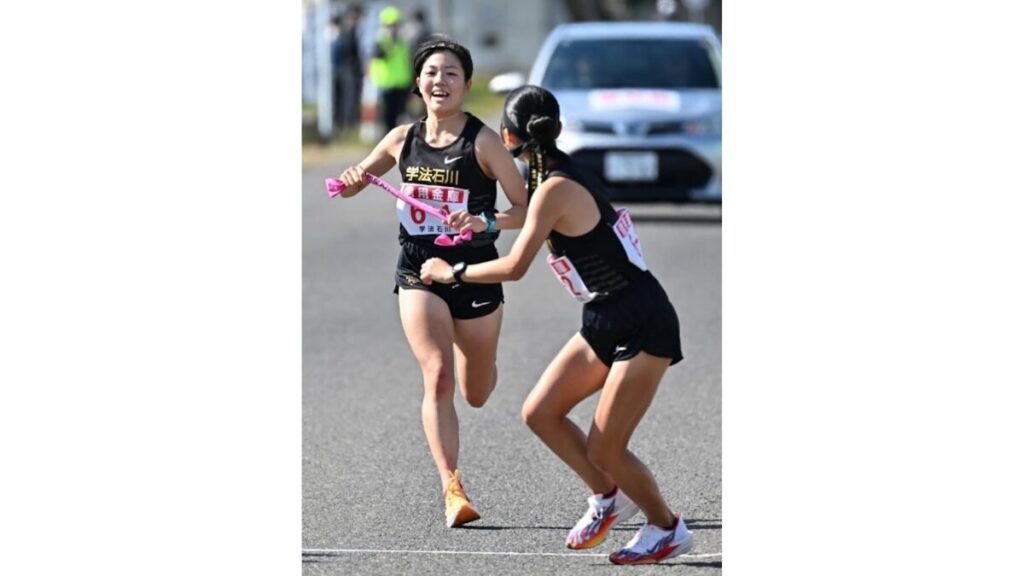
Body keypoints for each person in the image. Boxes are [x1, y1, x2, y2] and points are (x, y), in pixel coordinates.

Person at [419, 86, 693, 564]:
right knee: (541, 411)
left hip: (643, 321)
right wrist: (483, 223)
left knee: (607, 446)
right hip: (606, 316)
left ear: (507, 138)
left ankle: (667, 528)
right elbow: (532, 221)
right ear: (557, 130)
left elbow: (515, 266)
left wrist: (452, 272)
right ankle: (610, 497)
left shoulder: (554, 187)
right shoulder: (554, 175)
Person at [335, 38, 529, 528]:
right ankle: (451, 488)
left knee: (476, 390)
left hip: (474, 272)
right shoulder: (402, 138)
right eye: (431, 73)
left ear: (465, 84)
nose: (439, 81)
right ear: (418, 82)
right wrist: (351, 179)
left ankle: (477, 359)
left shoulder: (483, 142)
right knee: (437, 374)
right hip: (418, 269)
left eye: (451, 74)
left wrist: (484, 222)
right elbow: (360, 178)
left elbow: (524, 210)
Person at [369, 6, 413, 131]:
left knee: (401, 115)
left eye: (396, 25)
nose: (394, 28)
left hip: (401, 83)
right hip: (386, 83)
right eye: (391, 25)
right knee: (388, 117)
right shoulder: (380, 41)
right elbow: (376, 55)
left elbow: (407, 62)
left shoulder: (403, 41)